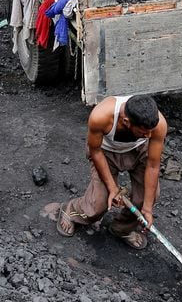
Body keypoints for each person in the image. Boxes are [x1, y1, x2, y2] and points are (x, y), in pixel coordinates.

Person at [57, 95, 168, 250]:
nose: (149, 136)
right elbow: (95, 151)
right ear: (126, 122)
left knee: (147, 198)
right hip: (105, 152)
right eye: (144, 133)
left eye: (151, 132)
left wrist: (148, 208)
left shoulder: (158, 125)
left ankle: (122, 229)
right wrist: (112, 188)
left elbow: (153, 165)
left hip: (137, 151)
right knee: (98, 206)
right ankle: (72, 211)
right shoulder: (100, 116)